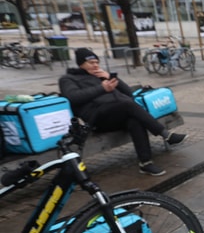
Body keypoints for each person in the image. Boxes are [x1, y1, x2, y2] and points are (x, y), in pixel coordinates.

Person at [58, 48, 187, 176]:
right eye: (91, 63)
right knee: (127, 105)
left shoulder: (100, 75)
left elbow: (128, 93)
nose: (95, 65)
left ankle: (146, 163)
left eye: (97, 62)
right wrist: (102, 88)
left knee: (134, 121)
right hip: (96, 117)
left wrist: (109, 78)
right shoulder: (68, 79)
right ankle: (165, 134)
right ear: (81, 64)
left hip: (116, 114)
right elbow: (73, 97)